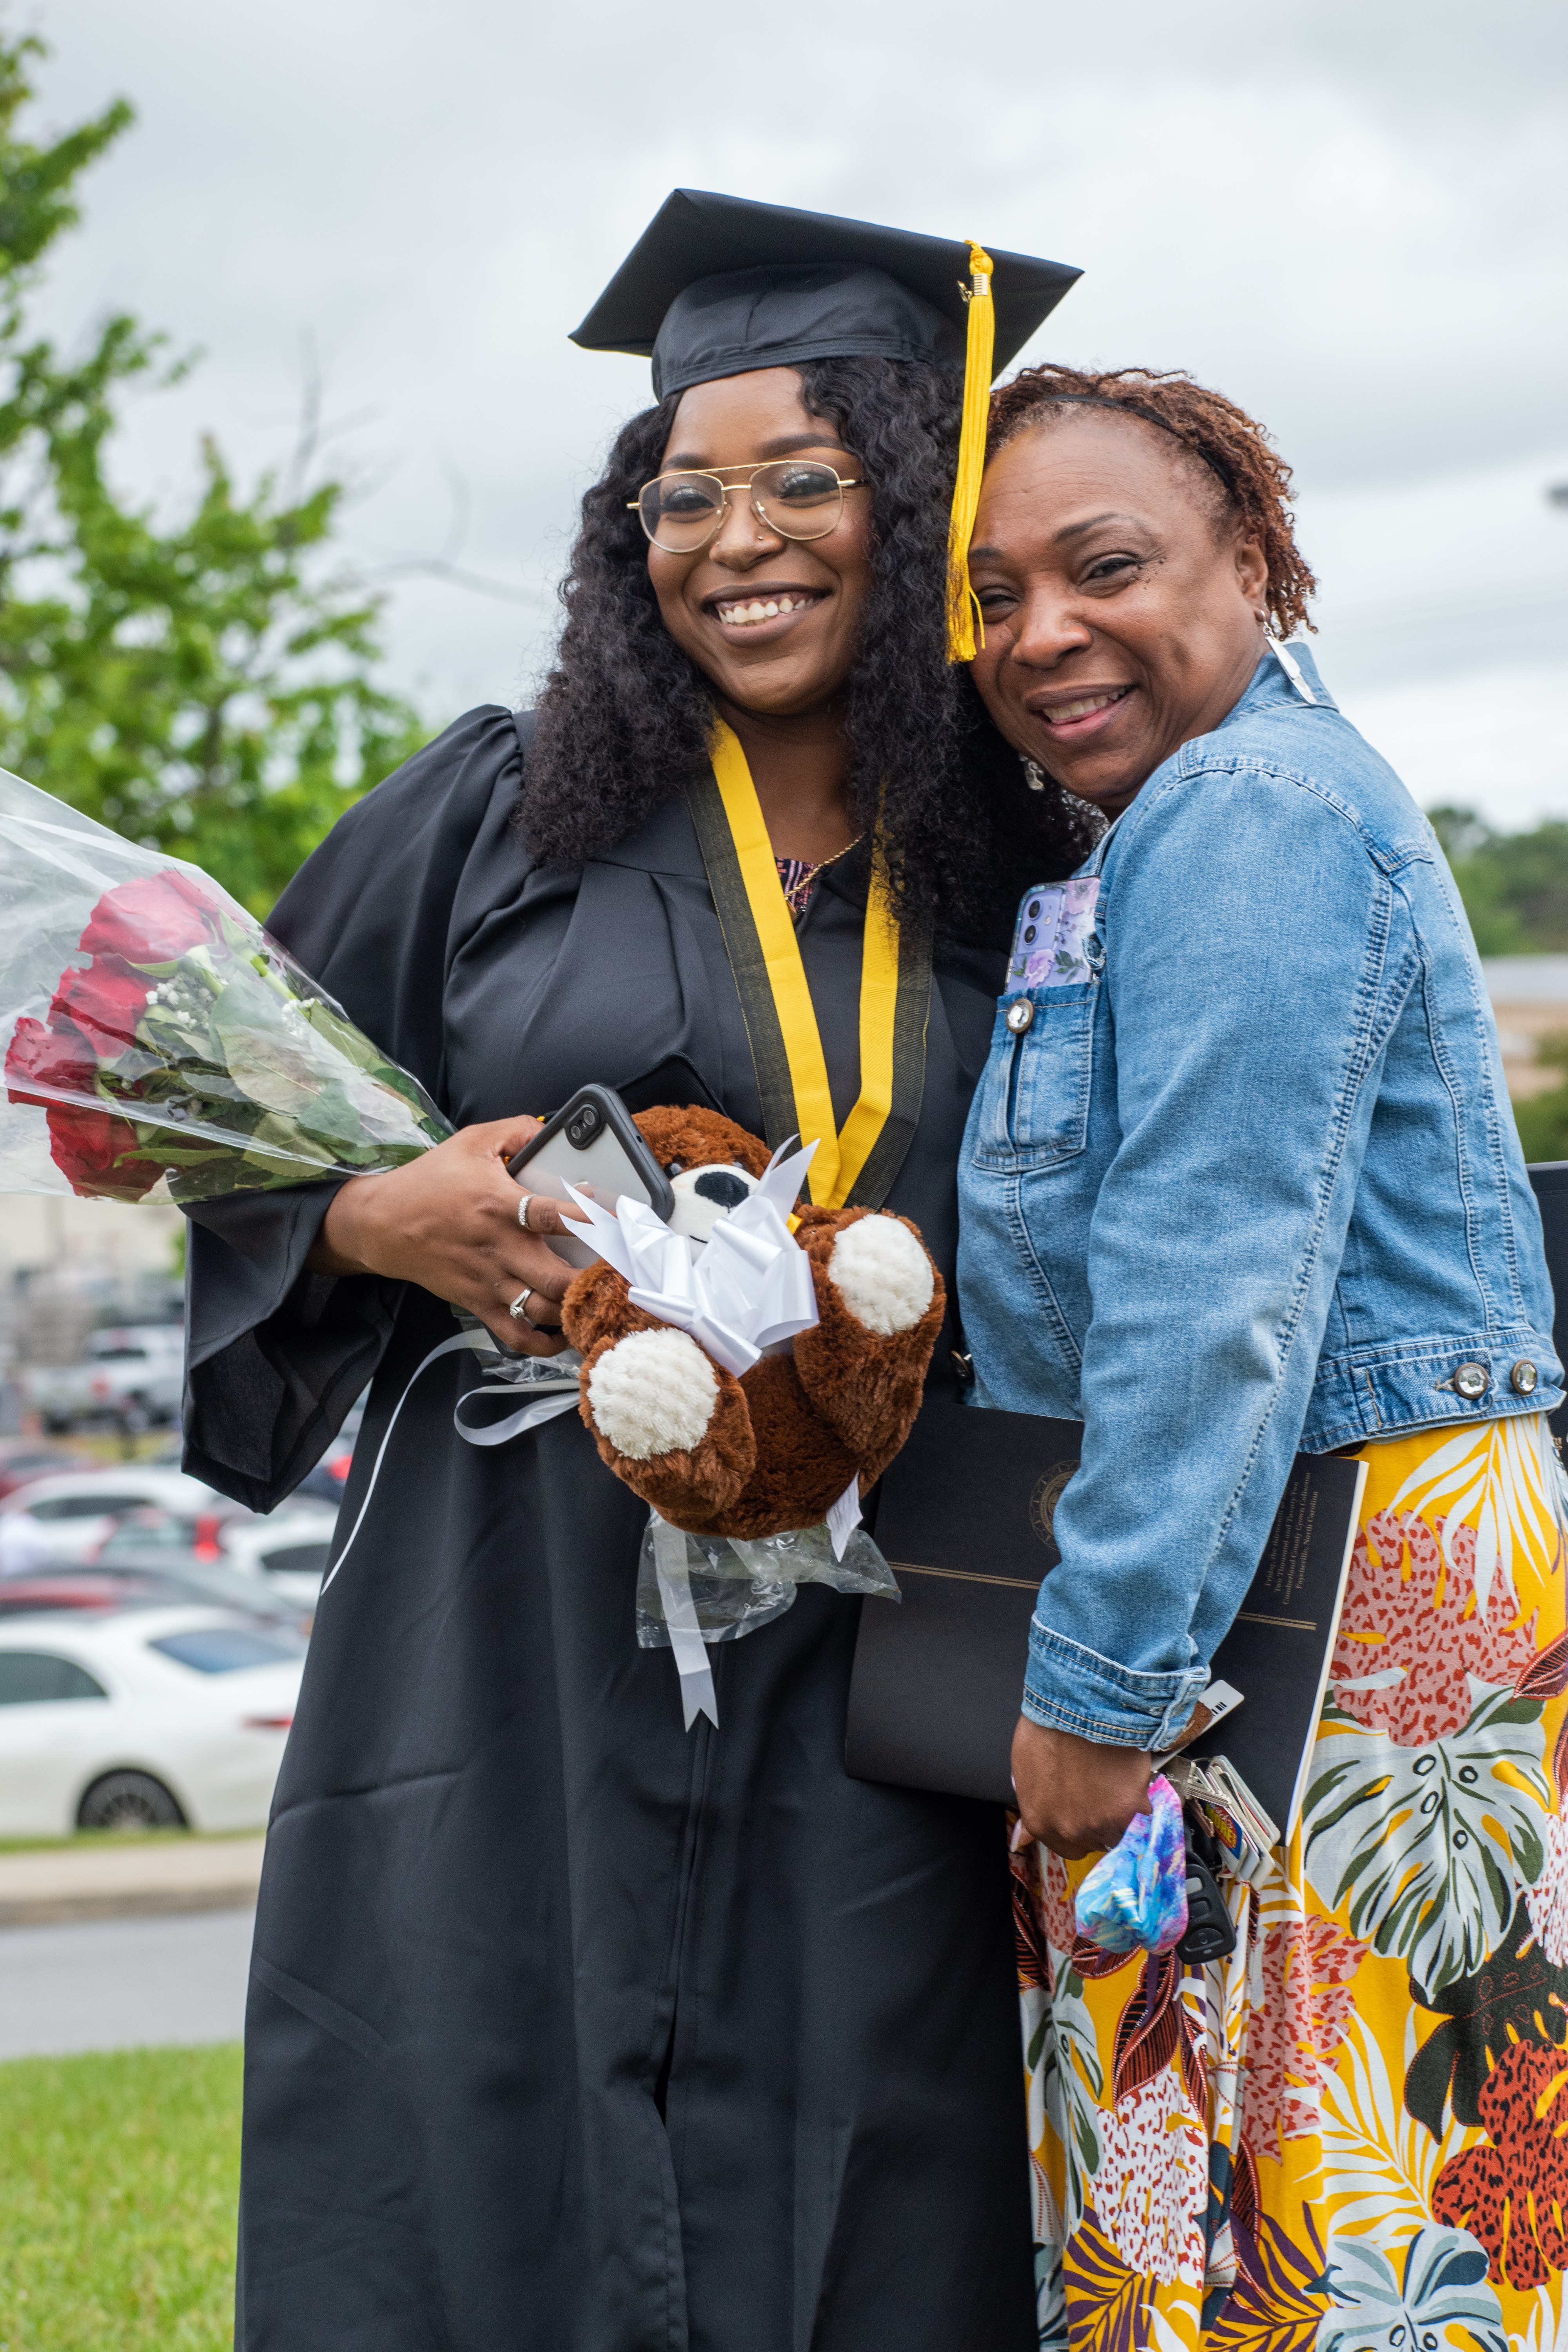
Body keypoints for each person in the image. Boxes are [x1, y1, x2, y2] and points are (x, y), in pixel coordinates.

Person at [182, 193, 1093, 2351]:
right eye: (683, 492)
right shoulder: (498, 817)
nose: (737, 538)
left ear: (922, 499)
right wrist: (362, 1215)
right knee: (474, 2109)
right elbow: (230, 1120)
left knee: (872, 2137)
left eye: (806, 481)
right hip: (504, 1608)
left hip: (876, 1626)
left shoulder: (1032, 866)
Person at [956, 364, 1568, 2348]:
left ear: (1256, 561)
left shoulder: (1247, 814)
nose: (1039, 631)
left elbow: (1208, 1286)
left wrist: (1097, 1687)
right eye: (991, 595)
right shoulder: (1166, 834)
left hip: (1338, 1605)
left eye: (1102, 565)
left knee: (1309, 2230)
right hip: (1333, 1578)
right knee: (1343, 2220)